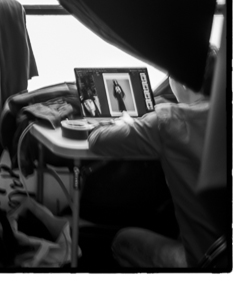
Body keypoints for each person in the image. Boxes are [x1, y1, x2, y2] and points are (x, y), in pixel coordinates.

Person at [88, 56, 220, 268]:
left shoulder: (169, 120)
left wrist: (125, 124)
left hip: (204, 260)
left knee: (123, 240)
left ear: (183, 83)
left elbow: (97, 140)